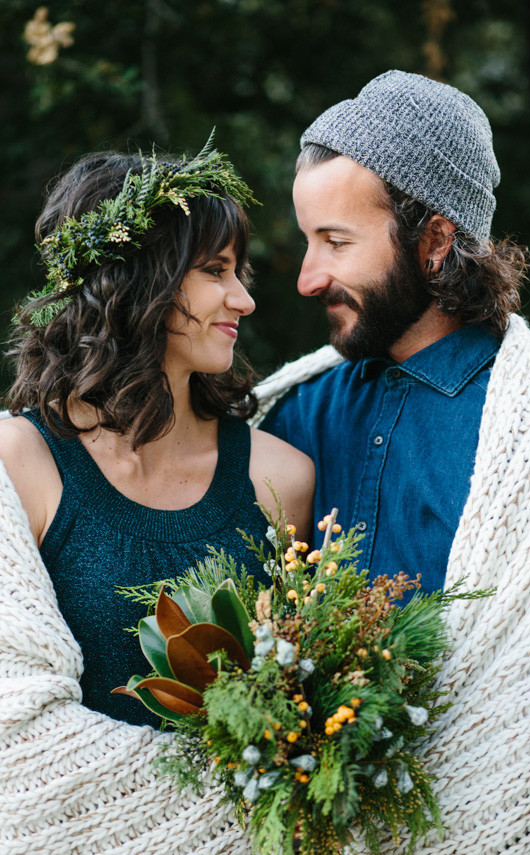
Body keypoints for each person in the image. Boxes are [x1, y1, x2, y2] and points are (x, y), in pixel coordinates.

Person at [256, 71, 530, 853]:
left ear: (433, 242)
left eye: (335, 242)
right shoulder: (292, 414)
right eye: (307, 240)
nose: (306, 277)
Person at [0, 144, 312, 852]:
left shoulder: (281, 479)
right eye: (215, 271)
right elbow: (11, 725)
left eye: (242, 272)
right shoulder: (19, 462)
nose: (246, 299)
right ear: (139, 280)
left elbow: (301, 721)